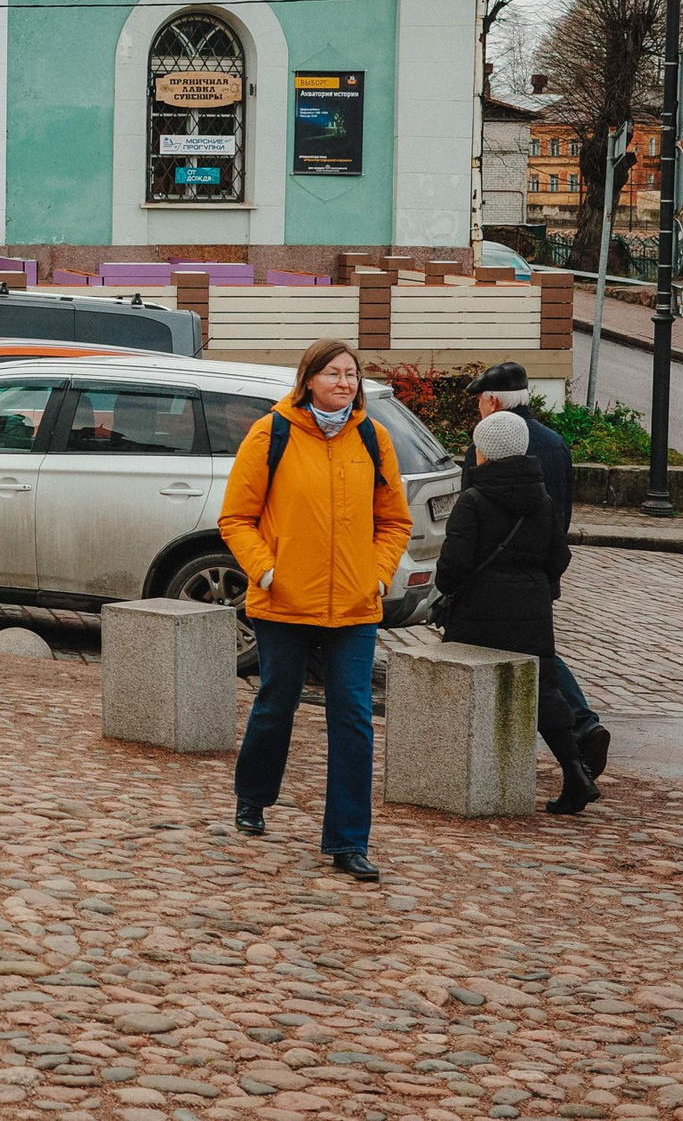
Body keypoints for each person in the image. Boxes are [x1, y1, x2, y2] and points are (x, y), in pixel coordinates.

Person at [219, 337, 411, 884]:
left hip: (354, 606)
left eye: (352, 374)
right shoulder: (271, 433)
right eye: (333, 373)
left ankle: (348, 841)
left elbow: (395, 521)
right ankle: (253, 796)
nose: (345, 383)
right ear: (308, 381)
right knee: (277, 700)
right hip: (284, 603)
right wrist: (268, 571)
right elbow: (236, 518)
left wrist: (374, 575)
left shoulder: (372, 438)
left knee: (352, 717)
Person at [438, 410, 602, 815]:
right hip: (531, 610)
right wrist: (533, 586)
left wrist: (452, 591)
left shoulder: (474, 500)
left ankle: (462, 774)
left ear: (482, 452)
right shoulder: (541, 499)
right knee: (545, 692)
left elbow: (453, 566)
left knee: (464, 684)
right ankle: (576, 773)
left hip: (478, 612)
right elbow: (558, 557)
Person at [467, 360, 611, 780]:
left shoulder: (487, 444)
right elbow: (561, 515)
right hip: (540, 571)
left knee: (533, 659)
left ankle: (577, 730)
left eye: (480, 400)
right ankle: (580, 731)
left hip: (492, 577)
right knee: (537, 651)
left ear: (492, 401)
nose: (479, 408)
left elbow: (472, 512)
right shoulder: (555, 442)